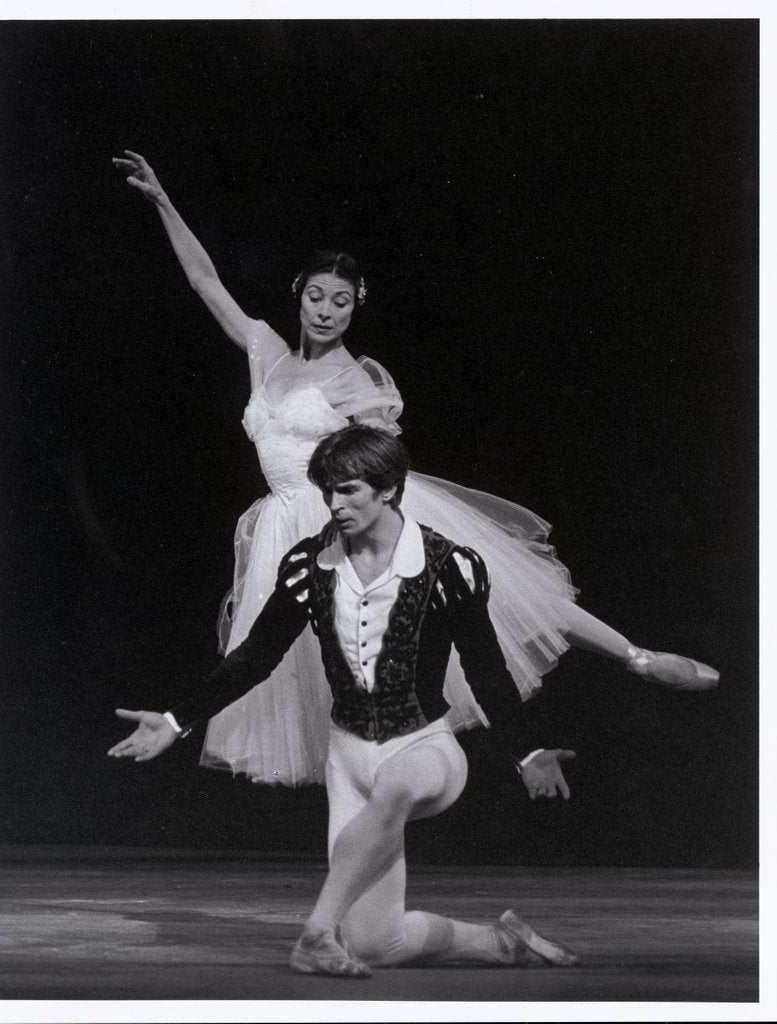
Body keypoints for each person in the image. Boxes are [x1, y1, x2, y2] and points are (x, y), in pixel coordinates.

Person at [111, 151, 719, 787]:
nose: (326, 311)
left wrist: (372, 515)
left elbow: (385, 463)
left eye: (340, 302)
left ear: (354, 308)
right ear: (300, 296)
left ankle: (636, 655)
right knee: (294, 658)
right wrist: (163, 202)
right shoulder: (266, 350)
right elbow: (204, 280)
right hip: (282, 518)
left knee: (503, 594)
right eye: (316, 297)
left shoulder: (356, 379)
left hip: (345, 507)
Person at [108, 425, 580, 977]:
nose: (334, 504)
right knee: (378, 944)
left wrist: (527, 751)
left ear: (389, 489)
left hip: (424, 749)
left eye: (349, 490)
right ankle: (500, 942)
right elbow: (256, 657)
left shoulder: (449, 566)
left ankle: (314, 933)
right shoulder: (310, 565)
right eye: (328, 491)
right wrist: (176, 719)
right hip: (348, 759)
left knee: (395, 788)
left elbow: (486, 668)